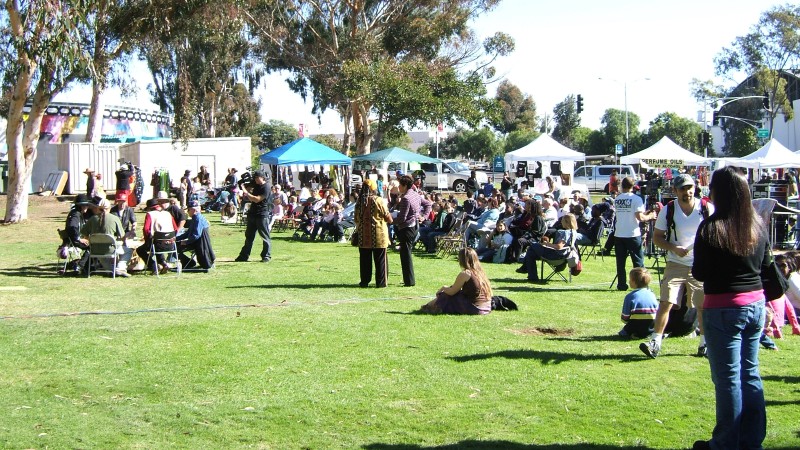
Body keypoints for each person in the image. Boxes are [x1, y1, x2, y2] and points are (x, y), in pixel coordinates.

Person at [690, 166, 768, 450]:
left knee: (728, 379)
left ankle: (725, 442)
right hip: (755, 304)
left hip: (723, 308)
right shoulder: (757, 226)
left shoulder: (711, 228)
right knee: (750, 373)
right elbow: (765, 266)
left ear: (717, 193)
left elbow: (699, 272)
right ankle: (751, 440)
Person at [641, 174, 712, 358]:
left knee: (702, 306)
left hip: (700, 264)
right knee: (666, 302)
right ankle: (655, 342)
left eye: (689, 188)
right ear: (675, 191)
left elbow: (716, 232)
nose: (687, 192)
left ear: (694, 188)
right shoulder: (669, 210)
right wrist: (674, 248)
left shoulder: (706, 208)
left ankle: (704, 344)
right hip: (675, 263)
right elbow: (657, 237)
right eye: (682, 189)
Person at [613, 177, 656, 291]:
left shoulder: (617, 199)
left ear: (622, 185)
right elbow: (640, 217)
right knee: (638, 262)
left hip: (619, 233)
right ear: (633, 186)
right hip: (632, 233)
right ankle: (640, 284)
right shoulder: (636, 199)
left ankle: (621, 284)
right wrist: (650, 216)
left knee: (620, 262)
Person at [420, 247, 492, 315]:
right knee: (454, 293)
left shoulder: (466, 273)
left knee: (446, 295)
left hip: (475, 308)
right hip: (486, 307)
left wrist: (443, 288)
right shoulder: (480, 273)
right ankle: (429, 306)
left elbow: (452, 292)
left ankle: (428, 307)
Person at [395, 175, 432, 287]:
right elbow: (428, 204)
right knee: (406, 253)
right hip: (414, 226)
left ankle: (409, 281)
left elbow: (402, 218)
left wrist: (390, 220)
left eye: (400, 185)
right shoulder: (415, 194)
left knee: (405, 255)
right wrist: (424, 216)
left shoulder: (406, 198)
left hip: (407, 228)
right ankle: (409, 280)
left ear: (405, 185)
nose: (398, 188)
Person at [354, 180, 392, 288]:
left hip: (363, 235)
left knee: (365, 260)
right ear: (373, 189)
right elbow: (388, 217)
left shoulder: (359, 202)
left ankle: (364, 281)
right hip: (378, 235)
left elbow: (356, 219)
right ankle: (381, 283)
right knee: (380, 260)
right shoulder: (378, 200)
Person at [521, 213, 579, 283]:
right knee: (531, 253)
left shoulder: (566, 233)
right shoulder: (574, 232)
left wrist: (547, 244)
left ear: (567, 222)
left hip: (556, 256)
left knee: (532, 245)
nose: (561, 222)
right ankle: (530, 275)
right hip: (565, 256)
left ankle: (531, 275)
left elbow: (559, 246)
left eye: (562, 220)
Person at [80, 198, 131, 277]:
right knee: (128, 250)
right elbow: (122, 236)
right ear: (109, 208)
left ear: (98, 208)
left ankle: (112, 271)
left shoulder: (92, 219)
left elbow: (84, 234)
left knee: (102, 255)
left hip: (95, 250)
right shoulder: (114, 219)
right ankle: (120, 268)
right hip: (110, 249)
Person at [235, 170, 273, 262]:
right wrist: (243, 185)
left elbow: (257, 199)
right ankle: (244, 256)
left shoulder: (266, 187)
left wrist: (245, 192)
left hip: (262, 214)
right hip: (252, 213)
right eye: (254, 177)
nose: (255, 179)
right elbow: (248, 188)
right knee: (249, 236)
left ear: (262, 177)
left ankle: (266, 256)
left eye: (257, 177)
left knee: (264, 236)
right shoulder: (255, 184)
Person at [136, 198, 178, 274]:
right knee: (158, 245)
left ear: (149, 208)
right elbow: (175, 229)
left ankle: (153, 266)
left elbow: (146, 229)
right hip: (171, 244)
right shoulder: (168, 214)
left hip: (156, 244)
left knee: (140, 250)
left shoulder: (150, 214)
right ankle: (164, 263)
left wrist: (147, 240)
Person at [619, 268, 659, 338]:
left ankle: (635, 334)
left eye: (630, 279)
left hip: (635, 325)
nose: (629, 281)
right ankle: (647, 333)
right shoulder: (652, 294)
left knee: (623, 332)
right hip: (651, 326)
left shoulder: (630, 296)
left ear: (634, 282)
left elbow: (625, 318)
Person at [176, 200, 215, 270]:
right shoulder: (195, 218)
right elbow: (188, 233)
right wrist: (176, 239)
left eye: (188, 210)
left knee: (175, 247)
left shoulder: (198, 219)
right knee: (176, 244)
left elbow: (196, 235)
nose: (187, 212)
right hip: (197, 242)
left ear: (193, 210)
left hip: (198, 244)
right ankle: (188, 262)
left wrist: (185, 242)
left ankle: (188, 262)